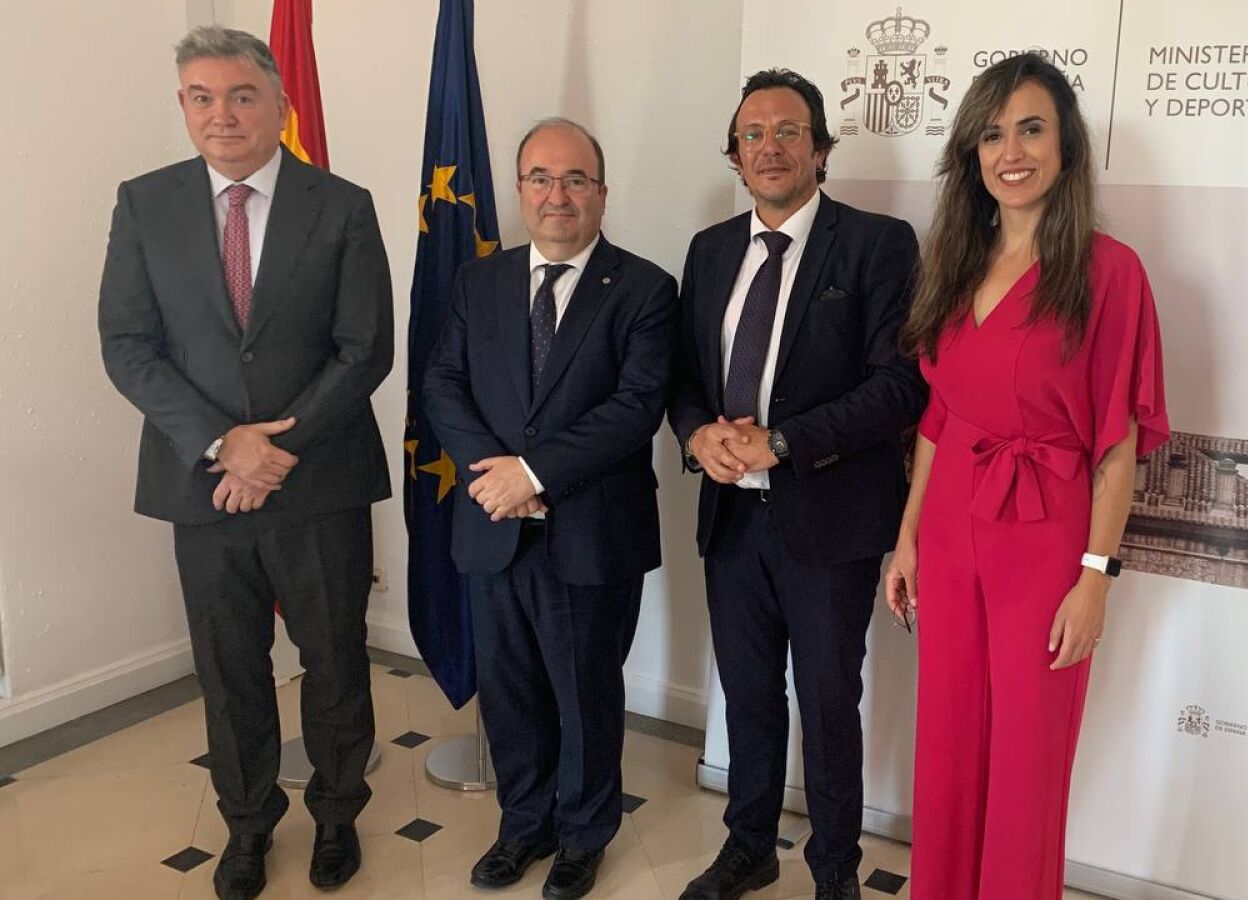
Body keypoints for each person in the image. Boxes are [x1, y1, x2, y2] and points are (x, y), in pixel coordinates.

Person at [98, 25, 392, 900]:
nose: (221, 114)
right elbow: (128, 345)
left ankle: (336, 815)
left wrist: (277, 449)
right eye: (202, 97)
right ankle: (249, 824)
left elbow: (365, 347)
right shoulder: (144, 204)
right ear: (183, 106)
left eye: (240, 95)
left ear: (280, 104)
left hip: (319, 481)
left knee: (334, 658)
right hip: (203, 486)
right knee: (229, 670)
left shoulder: (341, 205)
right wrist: (226, 444)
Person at [885, 53, 1170, 899]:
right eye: (992, 135)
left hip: (1046, 540)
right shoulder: (955, 262)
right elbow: (938, 420)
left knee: (1026, 764)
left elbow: (1116, 447)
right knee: (947, 746)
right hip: (950, 529)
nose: (1011, 152)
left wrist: (1096, 578)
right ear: (971, 154)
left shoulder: (1109, 272)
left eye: (1031, 129)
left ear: (1067, 146)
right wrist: (908, 540)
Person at [668, 69, 924, 900]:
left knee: (826, 702)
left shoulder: (878, 244)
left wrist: (781, 443)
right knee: (746, 695)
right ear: (734, 154)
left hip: (830, 520)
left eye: (788, 131)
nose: (769, 147)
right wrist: (696, 432)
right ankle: (748, 847)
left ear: (819, 149)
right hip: (731, 520)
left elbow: (899, 388)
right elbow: (683, 379)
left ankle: (834, 870)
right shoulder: (710, 251)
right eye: (753, 134)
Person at [422, 118, 677, 900]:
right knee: (509, 692)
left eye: (574, 179)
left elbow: (636, 408)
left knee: (585, 692)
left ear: (601, 192)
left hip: (591, 534)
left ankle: (583, 835)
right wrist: (494, 475)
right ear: (520, 189)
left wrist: (531, 471)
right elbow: (442, 384)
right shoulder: (480, 282)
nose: (556, 194)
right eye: (540, 177)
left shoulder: (645, 289)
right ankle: (522, 825)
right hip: (494, 525)